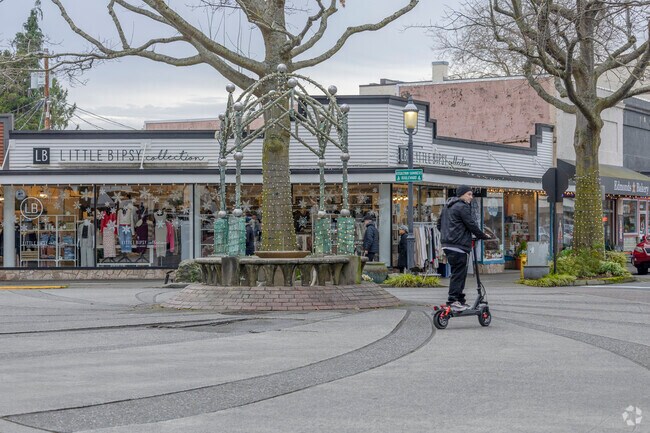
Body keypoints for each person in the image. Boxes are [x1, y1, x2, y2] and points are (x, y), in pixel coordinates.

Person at [437, 185, 491, 311]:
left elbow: (439, 224)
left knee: (459, 272)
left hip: (447, 244)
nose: (471, 197)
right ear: (461, 194)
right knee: (458, 274)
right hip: (458, 245)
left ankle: (460, 300)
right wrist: (482, 235)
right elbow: (471, 224)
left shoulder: (447, 206)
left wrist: (448, 235)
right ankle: (453, 300)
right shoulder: (462, 206)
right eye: (469, 194)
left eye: (471, 195)